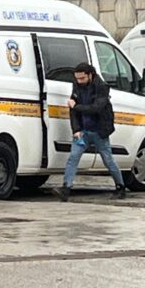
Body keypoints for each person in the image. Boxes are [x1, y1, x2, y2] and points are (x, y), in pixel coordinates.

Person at [51, 62, 126, 202]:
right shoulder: (77, 85)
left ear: (90, 75)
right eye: (77, 79)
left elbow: (95, 108)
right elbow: (72, 110)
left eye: (82, 78)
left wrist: (76, 106)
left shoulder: (101, 87)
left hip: (99, 130)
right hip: (83, 131)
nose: (79, 81)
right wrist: (76, 129)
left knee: (108, 160)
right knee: (73, 158)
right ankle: (66, 188)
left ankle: (120, 186)